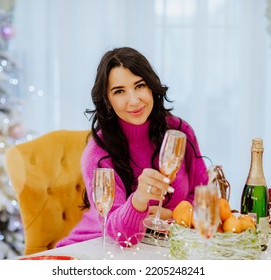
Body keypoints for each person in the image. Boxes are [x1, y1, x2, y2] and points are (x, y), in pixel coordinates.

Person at [55, 47, 208, 248]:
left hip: (162, 248)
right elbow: (123, 237)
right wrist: (139, 199)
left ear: (151, 87)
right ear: (108, 100)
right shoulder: (98, 155)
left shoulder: (179, 132)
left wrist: (170, 214)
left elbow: (203, 196)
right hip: (96, 247)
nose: (134, 100)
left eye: (139, 86)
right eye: (119, 91)